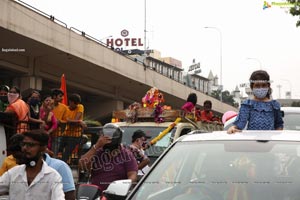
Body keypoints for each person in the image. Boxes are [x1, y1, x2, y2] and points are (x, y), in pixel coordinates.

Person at [0, 130, 65, 199]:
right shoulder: (13, 173)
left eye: (30, 145)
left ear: (43, 148)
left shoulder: (53, 177)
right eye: (23, 144)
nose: (25, 148)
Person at [79, 123, 138, 194]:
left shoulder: (126, 154)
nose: (107, 139)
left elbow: (132, 175)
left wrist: (125, 187)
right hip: (96, 194)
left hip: (117, 194)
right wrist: (96, 146)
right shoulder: (97, 152)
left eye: (109, 138)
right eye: (105, 137)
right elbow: (81, 165)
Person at [61, 93, 86, 163]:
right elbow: (69, 121)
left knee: (66, 153)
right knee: (59, 151)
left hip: (75, 136)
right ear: (70, 102)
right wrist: (79, 121)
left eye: (77, 104)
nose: (76, 105)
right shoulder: (66, 109)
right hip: (65, 134)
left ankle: (63, 165)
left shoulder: (80, 106)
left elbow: (74, 120)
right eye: (74, 104)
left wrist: (72, 121)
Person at [51, 88, 68, 157]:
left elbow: (66, 120)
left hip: (57, 134)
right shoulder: (48, 104)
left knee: (54, 153)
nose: (62, 98)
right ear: (54, 96)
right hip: (46, 133)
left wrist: (59, 121)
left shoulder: (64, 107)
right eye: (60, 96)